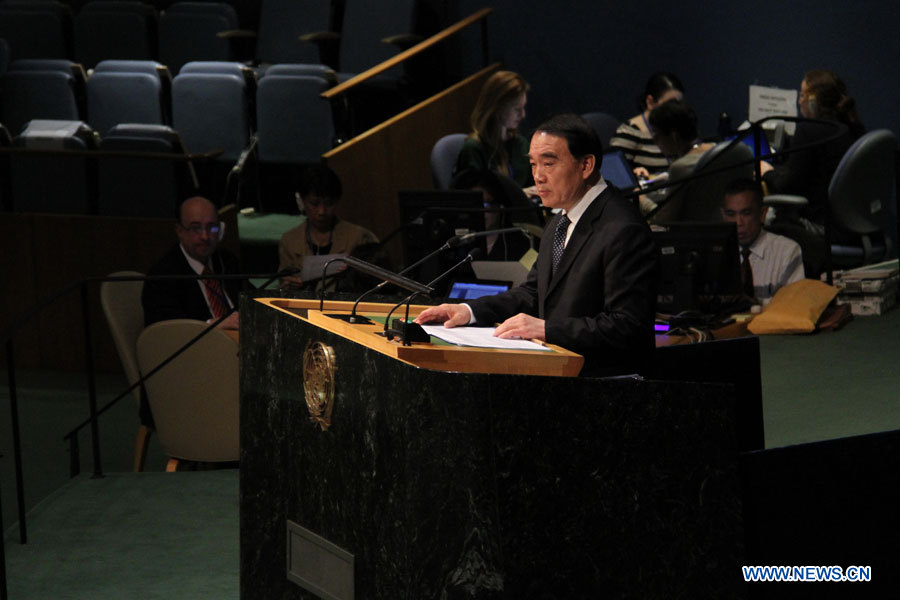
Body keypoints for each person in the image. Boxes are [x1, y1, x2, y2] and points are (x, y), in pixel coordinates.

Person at [416, 113, 659, 377]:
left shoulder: (624, 229)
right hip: (557, 374)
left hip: (604, 383)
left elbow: (628, 326)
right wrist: (469, 310)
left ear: (586, 165)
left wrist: (546, 329)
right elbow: (533, 293)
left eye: (548, 163)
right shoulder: (560, 221)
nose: (538, 176)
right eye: (533, 164)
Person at [762, 69, 865, 232]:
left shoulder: (808, 131)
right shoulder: (853, 129)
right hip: (851, 226)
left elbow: (786, 185)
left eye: (802, 95)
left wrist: (766, 172)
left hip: (818, 226)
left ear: (813, 101)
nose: (799, 101)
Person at [142, 196, 244, 329]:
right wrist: (212, 325)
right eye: (196, 228)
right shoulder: (162, 275)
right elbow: (166, 330)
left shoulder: (226, 260)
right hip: (199, 341)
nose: (205, 236)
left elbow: (251, 298)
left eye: (212, 228)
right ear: (179, 231)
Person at [278, 164, 379, 290]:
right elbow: (283, 282)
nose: (322, 211)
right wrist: (289, 285)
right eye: (314, 203)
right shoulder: (290, 241)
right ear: (302, 201)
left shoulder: (359, 237)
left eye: (329, 204)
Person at [721, 178, 804, 305]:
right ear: (723, 215)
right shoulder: (715, 253)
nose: (738, 223)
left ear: (762, 214)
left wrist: (755, 305)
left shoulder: (787, 251)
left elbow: (794, 306)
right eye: (731, 214)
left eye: (746, 213)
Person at [455, 70, 533, 187]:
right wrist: (520, 194)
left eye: (523, 107)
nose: (523, 115)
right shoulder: (474, 150)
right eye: (517, 109)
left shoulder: (521, 146)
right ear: (497, 108)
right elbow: (478, 195)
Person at [643, 99, 714, 221]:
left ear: (674, 136)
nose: (655, 140)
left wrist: (642, 201)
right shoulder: (716, 149)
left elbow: (664, 218)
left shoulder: (681, 167)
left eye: (657, 134)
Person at [608, 72, 685, 177]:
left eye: (678, 104)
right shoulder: (629, 133)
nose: (675, 110)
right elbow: (614, 174)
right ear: (650, 102)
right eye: (670, 104)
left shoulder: (676, 130)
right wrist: (634, 173)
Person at [450, 168, 536, 261]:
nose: (481, 212)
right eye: (475, 205)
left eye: (485, 204)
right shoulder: (456, 243)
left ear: (500, 206)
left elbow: (531, 266)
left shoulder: (523, 242)